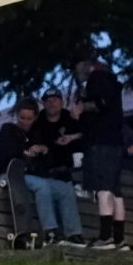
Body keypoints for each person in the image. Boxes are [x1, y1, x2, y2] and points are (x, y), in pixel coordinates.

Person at [76, 55, 132, 249]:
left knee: (103, 189)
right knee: (115, 190)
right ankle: (119, 238)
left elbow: (101, 103)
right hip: (114, 144)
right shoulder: (113, 83)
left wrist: (81, 107)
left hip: (101, 144)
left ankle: (105, 236)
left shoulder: (98, 79)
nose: (77, 74)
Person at [0, 99, 52, 248]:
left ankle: (61, 233)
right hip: (10, 175)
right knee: (41, 186)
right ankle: (45, 230)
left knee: (62, 189)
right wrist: (25, 154)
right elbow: (6, 157)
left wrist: (43, 150)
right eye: (22, 118)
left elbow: (45, 162)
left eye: (29, 119)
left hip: (31, 176)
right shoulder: (7, 131)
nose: (25, 122)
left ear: (35, 118)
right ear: (16, 115)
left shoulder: (36, 134)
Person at [28, 89, 87, 247]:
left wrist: (71, 137)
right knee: (46, 187)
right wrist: (42, 148)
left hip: (68, 171)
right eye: (48, 100)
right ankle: (51, 235)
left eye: (55, 99)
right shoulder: (38, 122)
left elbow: (87, 133)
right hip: (43, 173)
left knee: (67, 190)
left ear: (62, 102)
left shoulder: (69, 118)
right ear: (43, 104)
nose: (51, 103)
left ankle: (74, 235)